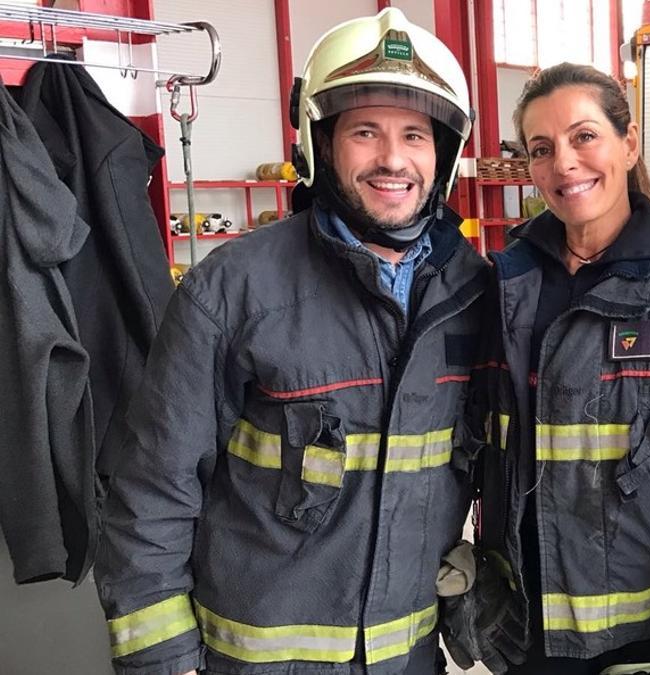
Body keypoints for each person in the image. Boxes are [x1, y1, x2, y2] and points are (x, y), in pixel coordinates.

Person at [93, 9, 486, 674]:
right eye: (365, 131)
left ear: (441, 154)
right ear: (320, 142)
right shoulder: (232, 290)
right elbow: (151, 488)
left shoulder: (473, 294)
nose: (393, 158)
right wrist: (163, 657)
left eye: (414, 134)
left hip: (407, 660)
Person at [461, 63, 650, 675]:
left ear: (629, 145)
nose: (564, 164)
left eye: (585, 137)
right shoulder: (503, 284)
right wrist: (472, 586)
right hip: (527, 630)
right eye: (542, 149)